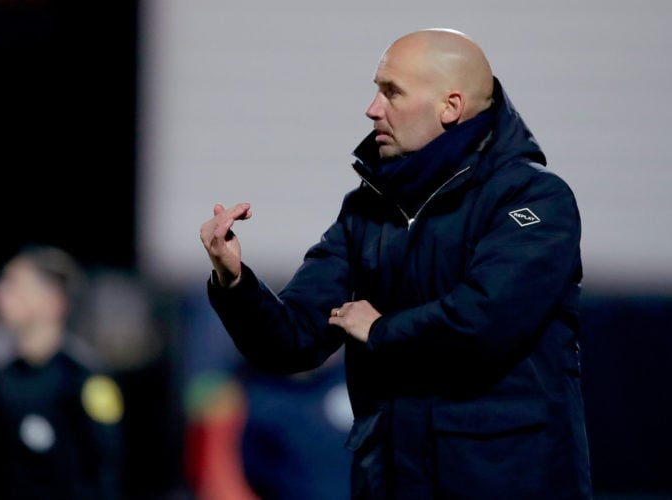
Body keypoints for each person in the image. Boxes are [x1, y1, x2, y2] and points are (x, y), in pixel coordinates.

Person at [201, 28, 592, 498]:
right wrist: (234, 281)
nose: (372, 108)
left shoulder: (534, 198)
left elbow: (486, 321)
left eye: (391, 91)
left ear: (450, 106)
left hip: (506, 481)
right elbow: (294, 340)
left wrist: (381, 331)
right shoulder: (365, 210)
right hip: (391, 480)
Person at [0, 245, 123, 500]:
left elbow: (106, 473)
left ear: (53, 301)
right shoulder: (2, 379)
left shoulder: (88, 380)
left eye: (14, 284)